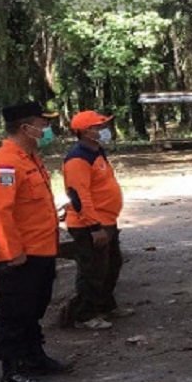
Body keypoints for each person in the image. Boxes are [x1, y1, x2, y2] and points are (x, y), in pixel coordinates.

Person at [0, 101, 72, 382]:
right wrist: (11, 253)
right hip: (21, 257)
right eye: (42, 123)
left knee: (34, 308)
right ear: (25, 127)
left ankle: (34, 357)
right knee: (15, 314)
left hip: (42, 250)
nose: (47, 129)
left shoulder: (30, 158)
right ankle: (12, 373)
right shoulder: (4, 163)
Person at [59, 110, 130, 330]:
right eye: (99, 127)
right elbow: (79, 195)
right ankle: (83, 315)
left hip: (106, 219)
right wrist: (93, 227)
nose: (104, 130)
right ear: (86, 132)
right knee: (93, 270)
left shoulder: (97, 152)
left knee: (111, 264)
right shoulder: (78, 158)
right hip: (90, 225)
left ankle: (105, 305)